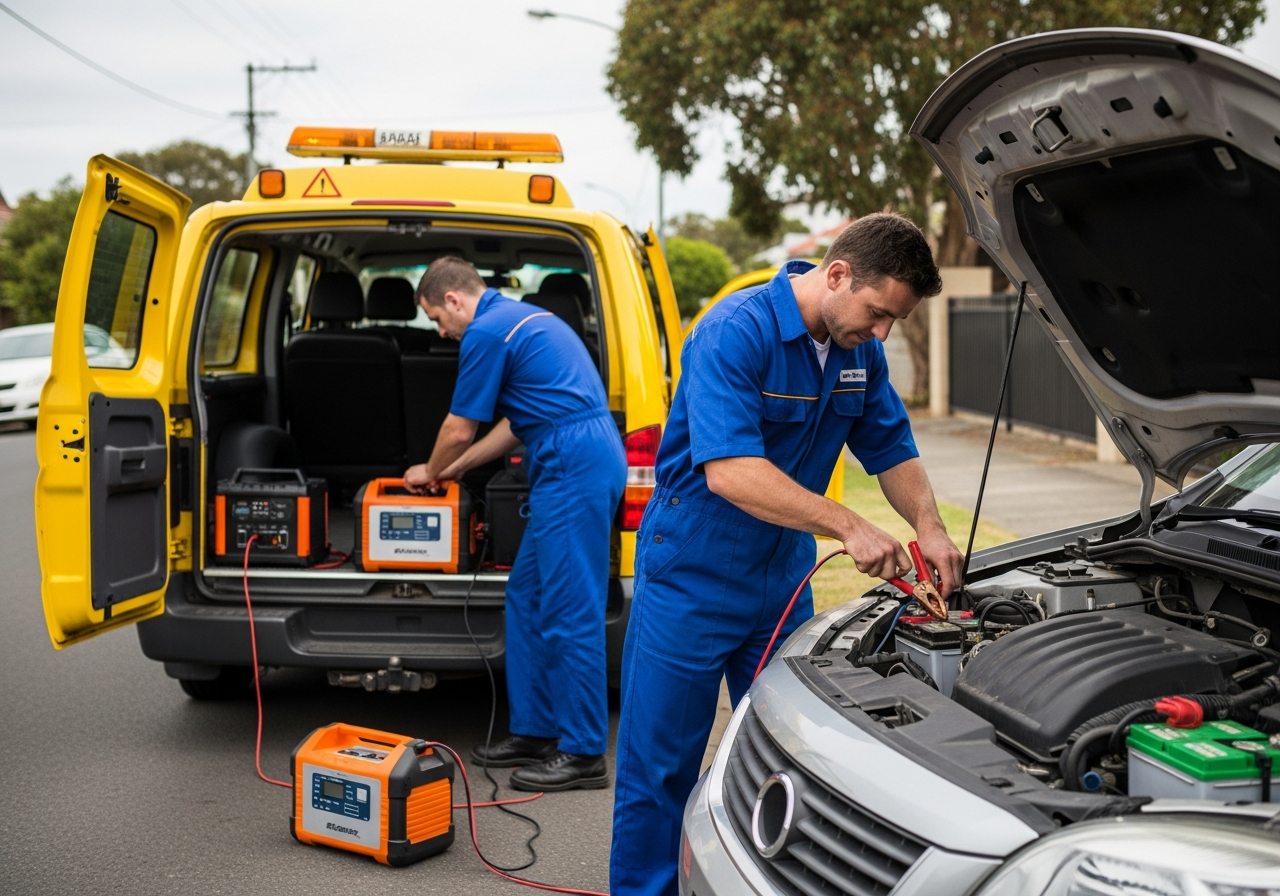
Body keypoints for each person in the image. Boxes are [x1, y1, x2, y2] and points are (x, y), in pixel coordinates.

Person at [609, 214, 963, 895]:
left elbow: (890, 448)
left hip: (782, 577)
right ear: (835, 275)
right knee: (661, 767)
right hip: (693, 573)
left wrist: (931, 527)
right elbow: (731, 471)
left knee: (793, 755)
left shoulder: (861, 353)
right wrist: (849, 527)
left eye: (896, 321)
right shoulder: (733, 331)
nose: (883, 332)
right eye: (878, 312)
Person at [403, 257, 626, 791]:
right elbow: (513, 423)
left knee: (570, 610)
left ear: (454, 300)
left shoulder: (485, 331)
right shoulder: (525, 319)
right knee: (526, 595)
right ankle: (534, 728)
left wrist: (429, 470)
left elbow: (459, 427)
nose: (441, 331)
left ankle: (582, 751)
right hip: (572, 452)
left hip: (572, 463)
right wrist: (455, 471)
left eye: (437, 318)